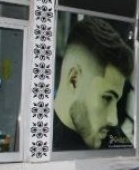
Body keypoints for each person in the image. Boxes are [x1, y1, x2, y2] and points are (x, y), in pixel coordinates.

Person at [53, 17, 134, 150]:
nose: (113, 120)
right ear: (74, 80)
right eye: (106, 98)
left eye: (116, 101)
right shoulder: (41, 138)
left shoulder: (112, 137)